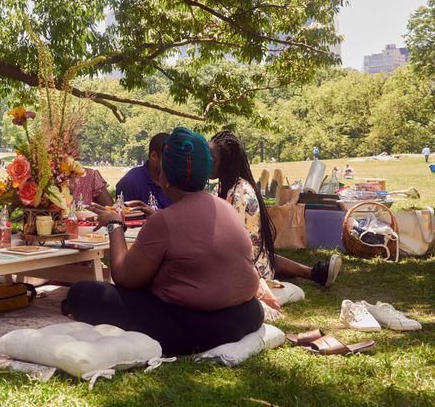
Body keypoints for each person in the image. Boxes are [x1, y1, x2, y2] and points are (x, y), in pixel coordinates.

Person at [64, 127, 264, 356]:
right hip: (246, 314)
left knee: (83, 293)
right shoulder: (226, 208)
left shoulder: (164, 221)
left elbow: (124, 277)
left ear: (165, 178)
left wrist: (114, 224)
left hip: (195, 325)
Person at [209, 131, 341, 298]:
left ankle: (313, 274)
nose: (206, 162)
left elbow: (234, 246)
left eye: (212, 160)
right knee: (267, 255)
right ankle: (315, 273)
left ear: (226, 162)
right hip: (254, 260)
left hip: (245, 268)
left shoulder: (239, 194)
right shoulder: (223, 187)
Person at [115, 133, 171, 208]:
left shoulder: (179, 182)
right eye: (169, 159)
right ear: (153, 156)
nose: (174, 163)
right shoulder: (130, 183)